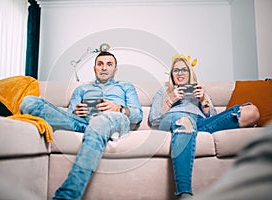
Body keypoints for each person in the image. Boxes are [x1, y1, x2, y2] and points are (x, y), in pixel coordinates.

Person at [20, 51, 143, 199]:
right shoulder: (81, 89)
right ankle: (97, 130)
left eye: (109, 64)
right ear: (94, 68)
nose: (104, 68)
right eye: (100, 64)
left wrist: (119, 108)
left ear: (115, 70)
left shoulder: (125, 87)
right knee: (29, 102)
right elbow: (70, 115)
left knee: (100, 121)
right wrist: (77, 111)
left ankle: (68, 195)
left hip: (116, 120)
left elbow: (137, 115)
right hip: (84, 123)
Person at [148, 54, 260, 199]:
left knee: (251, 111)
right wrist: (171, 100)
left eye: (184, 70)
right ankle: (184, 193)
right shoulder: (163, 92)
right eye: (176, 70)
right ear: (171, 74)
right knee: (185, 121)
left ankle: (190, 132)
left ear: (190, 73)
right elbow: (154, 120)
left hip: (200, 123)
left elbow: (213, 119)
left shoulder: (200, 91)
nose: (180, 73)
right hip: (175, 119)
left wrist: (203, 101)